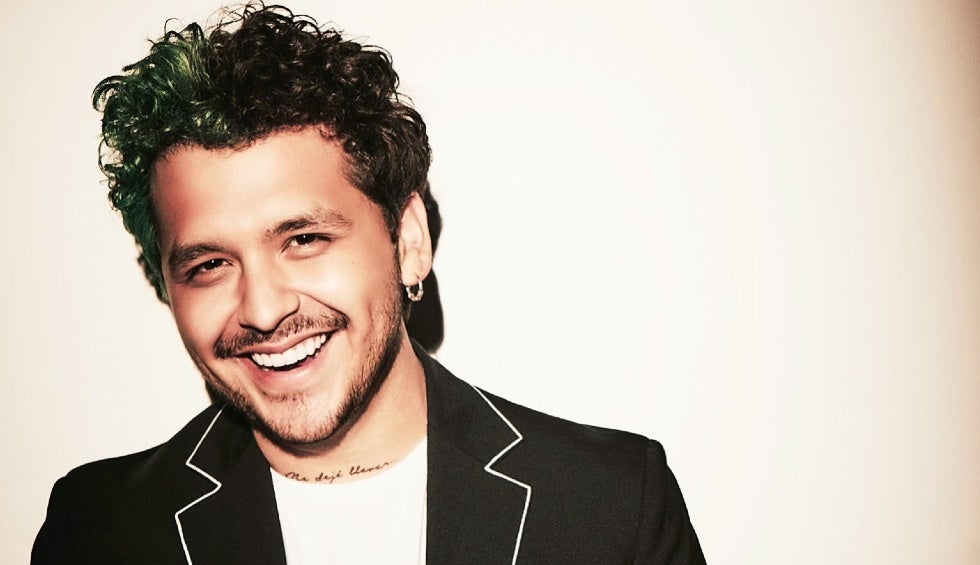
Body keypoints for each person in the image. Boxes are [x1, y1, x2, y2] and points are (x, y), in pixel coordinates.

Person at [32, 4, 705, 564]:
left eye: (304, 239)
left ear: (407, 241)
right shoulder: (98, 531)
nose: (261, 309)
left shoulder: (611, 506)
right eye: (209, 265)